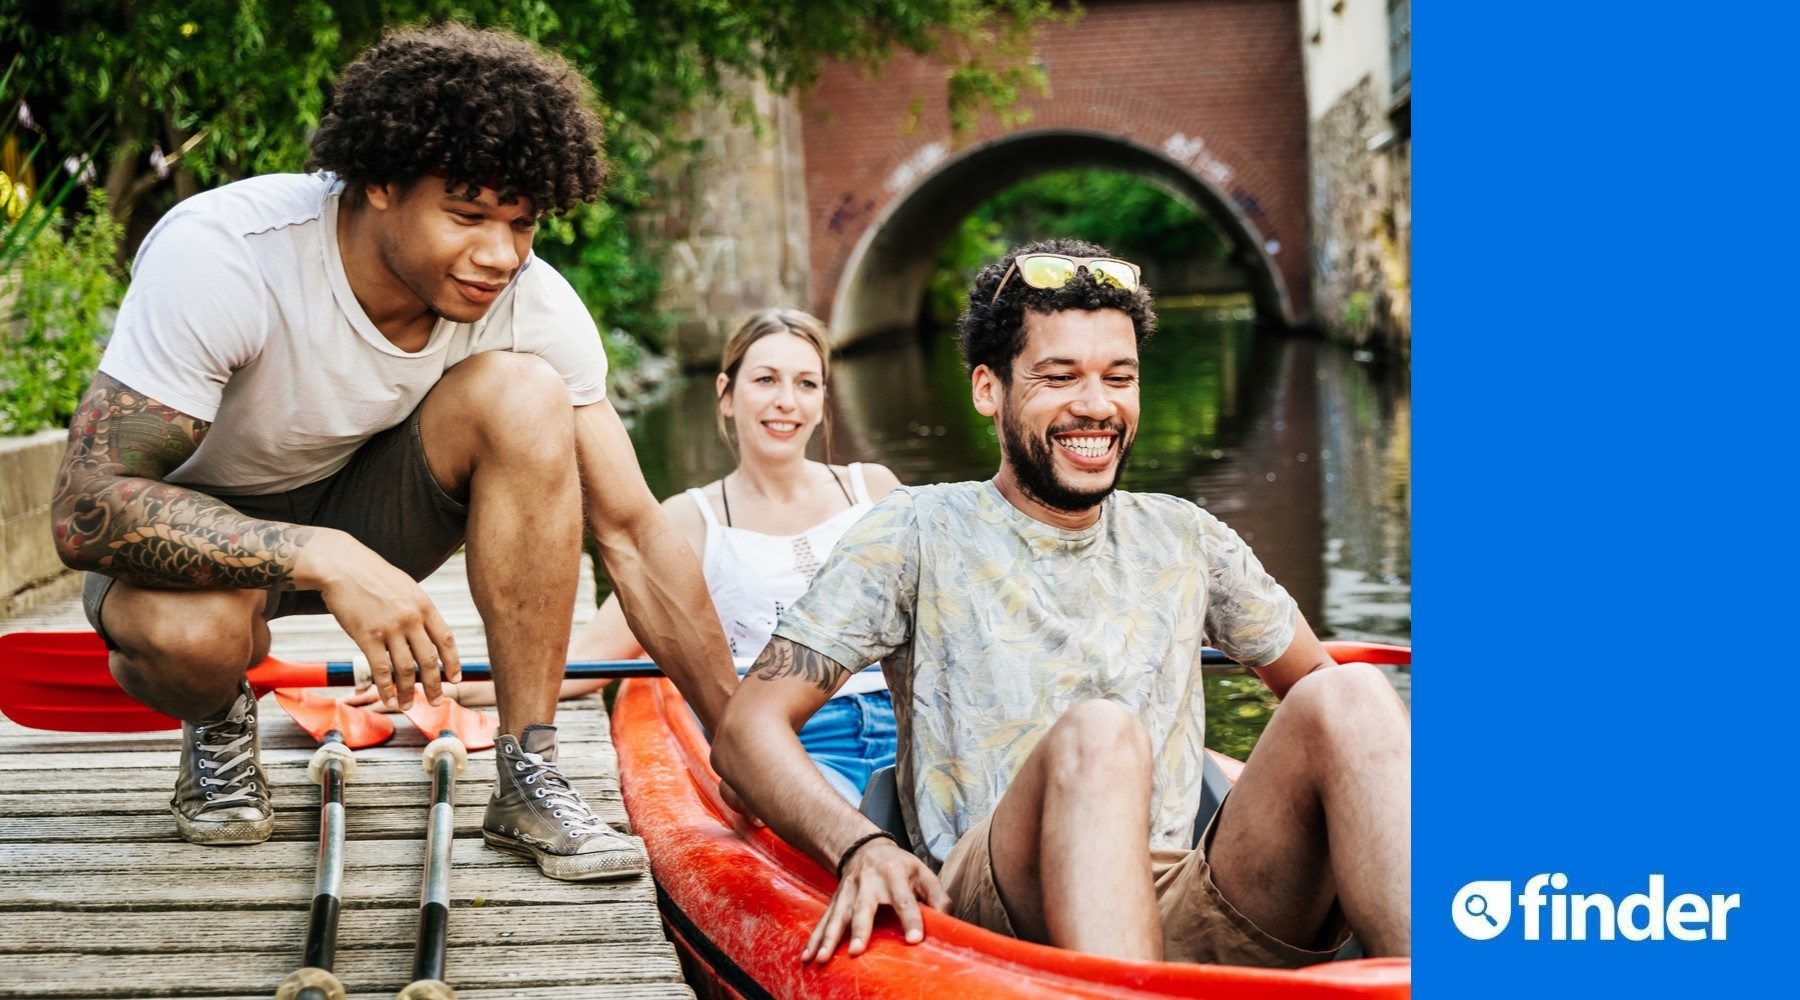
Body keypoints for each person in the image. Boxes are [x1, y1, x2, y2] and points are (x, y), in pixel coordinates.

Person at [49, 25, 737, 882]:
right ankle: (219, 718)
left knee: (527, 393)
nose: (500, 255)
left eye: (521, 223)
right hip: (198, 537)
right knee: (196, 638)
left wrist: (736, 736)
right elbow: (85, 508)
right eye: (467, 215)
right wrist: (323, 555)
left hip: (371, 508)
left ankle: (529, 774)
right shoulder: (227, 255)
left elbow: (633, 532)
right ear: (378, 182)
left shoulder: (530, 302)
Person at [711, 239, 1412, 966]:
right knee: (1100, 734)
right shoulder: (916, 529)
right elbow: (746, 730)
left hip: (1184, 894)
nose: (1097, 406)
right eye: (1059, 376)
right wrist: (860, 844)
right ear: (989, 389)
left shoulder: (1185, 534)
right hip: (996, 906)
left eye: (1119, 377)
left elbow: (1320, 703)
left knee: (1352, 693)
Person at [400, 309, 905, 801]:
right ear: (727, 395)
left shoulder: (875, 490)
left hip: (905, 720)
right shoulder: (689, 518)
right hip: (793, 740)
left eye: (806, 384)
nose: (786, 402)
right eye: (766, 380)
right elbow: (595, 656)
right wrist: (449, 687)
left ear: (822, 399)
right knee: (853, 837)